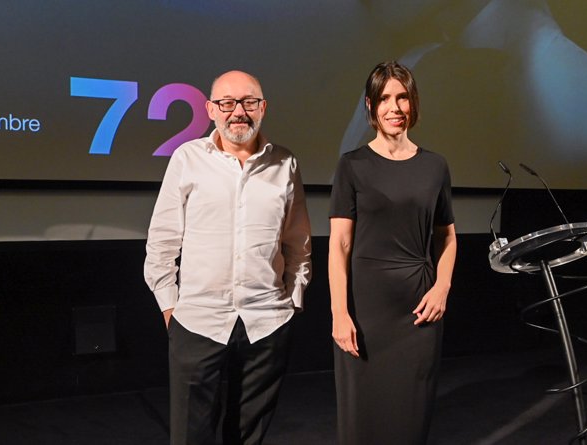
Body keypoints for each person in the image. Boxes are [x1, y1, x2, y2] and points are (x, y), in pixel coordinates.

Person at [144, 70, 312, 445]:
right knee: (190, 436)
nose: (239, 111)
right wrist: (170, 307)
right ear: (211, 109)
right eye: (227, 103)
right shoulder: (187, 158)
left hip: (267, 322)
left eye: (249, 102)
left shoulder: (285, 164)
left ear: (263, 107)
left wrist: (292, 301)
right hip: (197, 320)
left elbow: (298, 243)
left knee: (248, 436)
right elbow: (162, 240)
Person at [328, 61, 457, 445]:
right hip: (366, 313)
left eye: (401, 97)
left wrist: (442, 287)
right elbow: (339, 244)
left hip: (419, 311)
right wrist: (339, 312)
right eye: (384, 98)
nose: (394, 107)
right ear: (370, 107)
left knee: (410, 419)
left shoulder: (435, 166)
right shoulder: (352, 165)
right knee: (362, 417)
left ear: (413, 103)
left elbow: (447, 238)